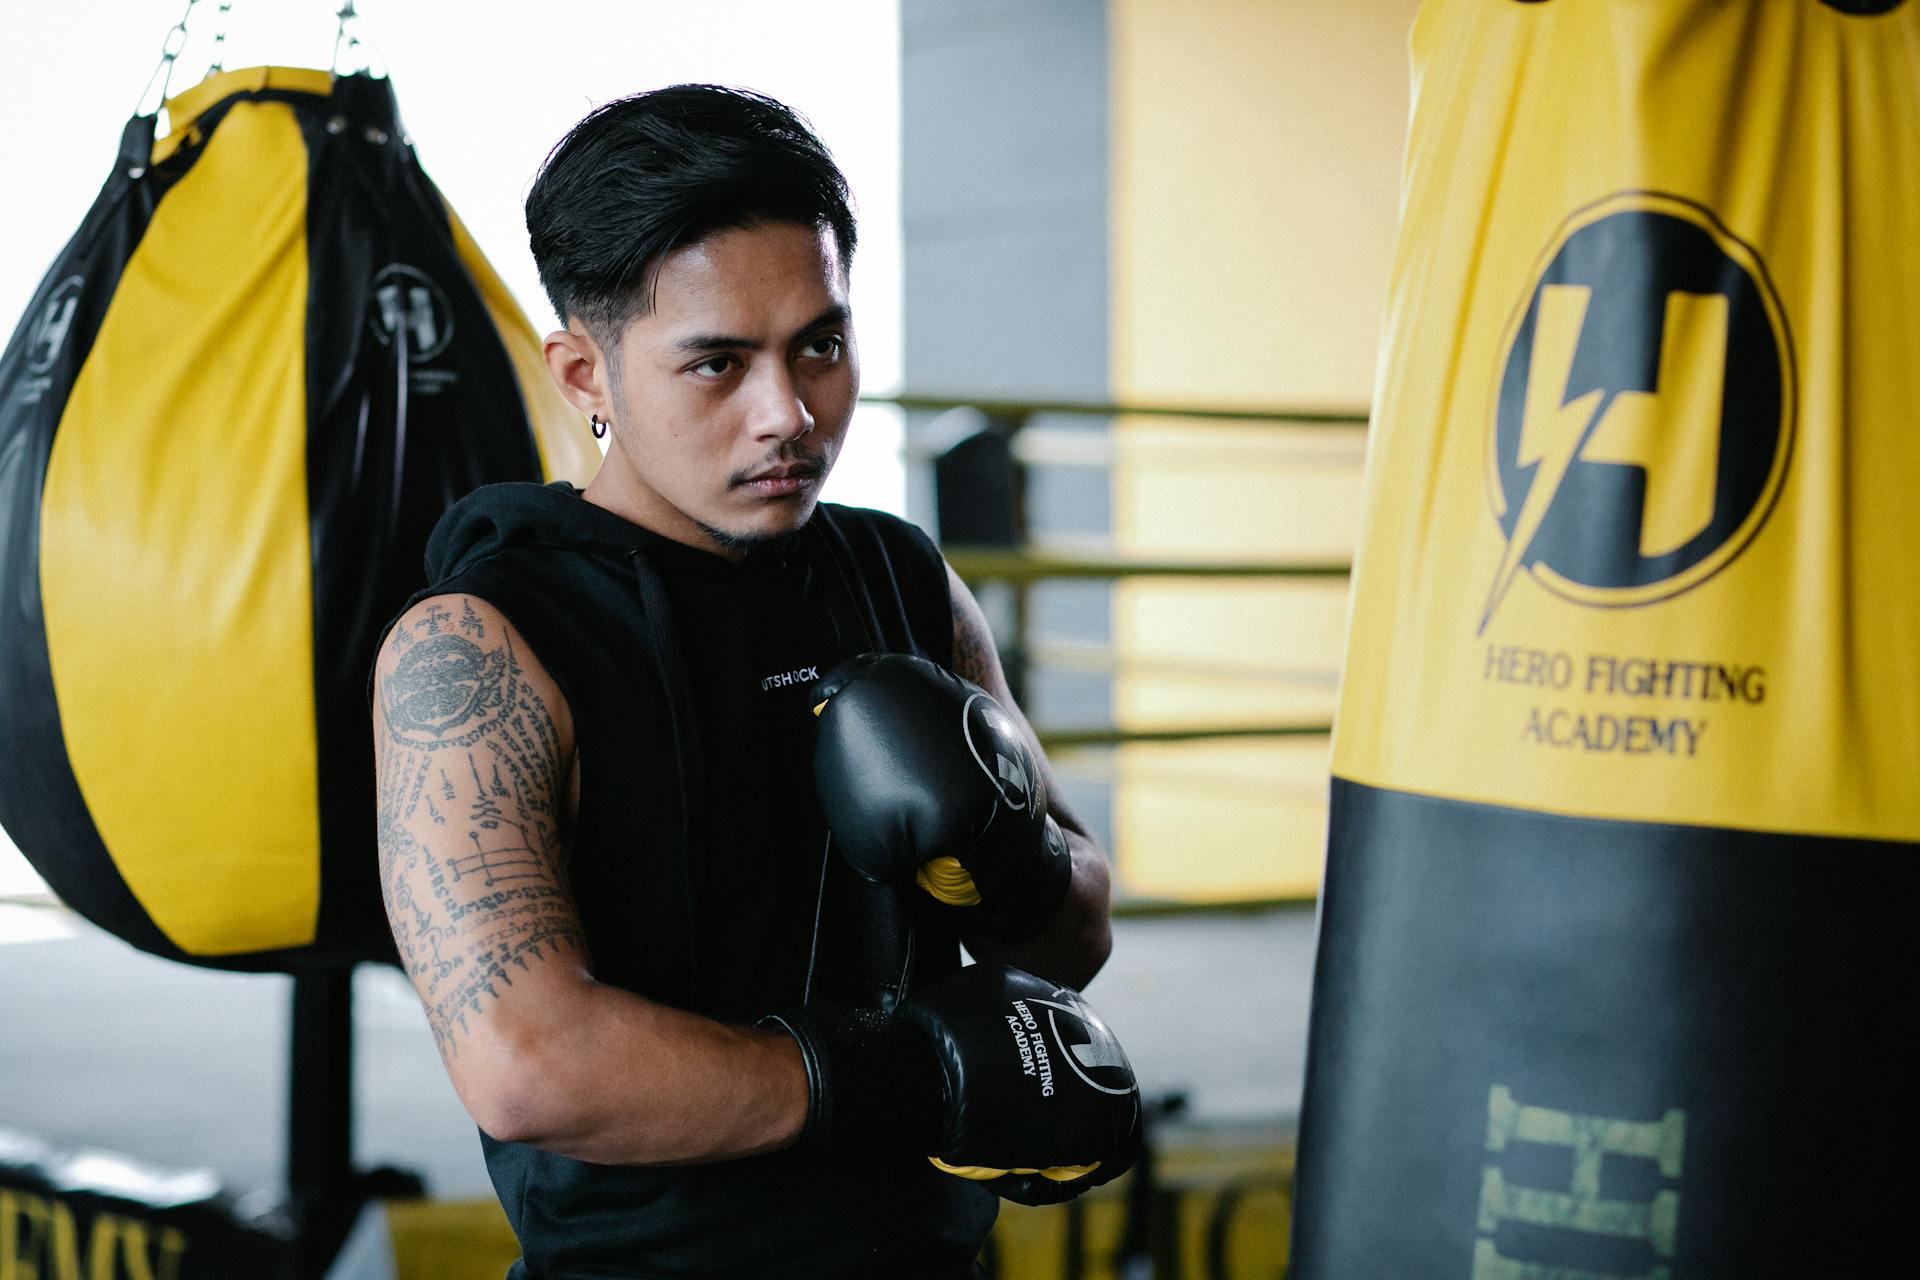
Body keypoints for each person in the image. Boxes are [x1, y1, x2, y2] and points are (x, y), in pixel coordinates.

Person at [369, 85, 1135, 1279]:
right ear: (584, 376)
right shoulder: (481, 644)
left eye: (819, 346)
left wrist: (1003, 848)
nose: (790, 414)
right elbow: (526, 1059)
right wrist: (907, 1079)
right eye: (717, 364)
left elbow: (1077, 922)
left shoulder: (901, 578)